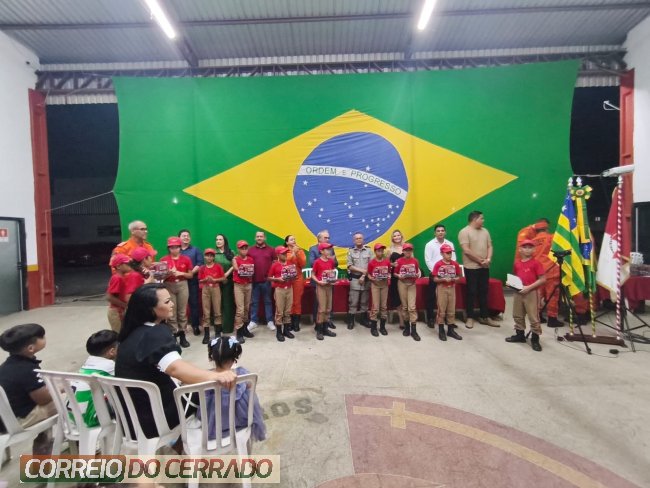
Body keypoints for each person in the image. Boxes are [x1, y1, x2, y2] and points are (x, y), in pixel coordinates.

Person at [115, 284, 236, 439]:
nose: (172, 304)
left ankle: (180, 446)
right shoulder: (155, 333)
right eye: (167, 302)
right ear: (150, 309)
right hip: (156, 420)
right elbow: (176, 369)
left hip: (130, 420)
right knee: (215, 389)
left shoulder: (129, 334)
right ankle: (217, 438)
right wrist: (216, 376)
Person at [197, 336, 266, 442]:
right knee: (248, 394)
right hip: (240, 419)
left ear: (212, 357)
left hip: (215, 422)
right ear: (234, 358)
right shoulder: (241, 373)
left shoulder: (207, 376)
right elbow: (251, 387)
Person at [0, 324, 55, 429]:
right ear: (30, 348)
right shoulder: (27, 369)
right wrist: (62, 388)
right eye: (41, 337)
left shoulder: (6, 366)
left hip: (5, 420)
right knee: (68, 398)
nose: (44, 337)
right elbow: (43, 399)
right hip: (18, 421)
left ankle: (43, 437)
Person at [518, 220, 563, 328]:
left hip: (538, 272)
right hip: (551, 271)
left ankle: (539, 316)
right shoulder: (552, 238)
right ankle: (552, 319)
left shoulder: (532, 242)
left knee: (538, 295)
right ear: (546, 229)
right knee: (552, 296)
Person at [458, 211, 499, 329]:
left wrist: (488, 259)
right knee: (471, 292)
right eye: (482, 218)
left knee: (484, 292)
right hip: (471, 268)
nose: (483, 220)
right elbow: (466, 250)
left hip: (484, 267)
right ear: (474, 219)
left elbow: (490, 246)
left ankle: (485, 316)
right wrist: (481, 261)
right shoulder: (464, 232)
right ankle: (470, 317)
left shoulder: (485, 231)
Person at [506, 240, 546, 351]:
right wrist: (511, 284)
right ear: (520, 249)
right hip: (518, 292)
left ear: (534, 250)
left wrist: (528, 288)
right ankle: (520, 335)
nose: (527, 249)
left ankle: (535, 339)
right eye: (525, 247)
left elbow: (543, 279)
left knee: (533, 316)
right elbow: (516, 276)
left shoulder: (536, 263)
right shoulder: (517, 263)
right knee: (517, 314)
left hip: (531, 293)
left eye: (530, 247)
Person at [73, 330, 118, 427]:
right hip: (91, 418)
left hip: (73, 417)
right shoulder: (110, 366)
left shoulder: (87, 364)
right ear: (112, 351)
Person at [160, 237, 194, 348]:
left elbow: (191, 275)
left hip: (182, 285)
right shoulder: (164, 260)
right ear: (168, 248)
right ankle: (173, 335)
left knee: (182, 311)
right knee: (171, 311)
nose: (174, 249)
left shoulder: (186, 259)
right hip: (169, 285)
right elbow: (160, 277)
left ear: (180, 248)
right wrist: (168, 273)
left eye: (176, 247)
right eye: (172, 247)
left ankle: (182, 334)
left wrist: (181, 273)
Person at [424, 224, 457, 327]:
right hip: (435, 275)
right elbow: (428, 260)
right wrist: (438, 273)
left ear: (445, 232)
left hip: (449, 276)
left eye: (442, 230)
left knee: (448, 298)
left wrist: (448, 272)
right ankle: (430, 318)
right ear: (435, 233)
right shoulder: (429, 244)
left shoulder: (450, 244)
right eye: (438, 231)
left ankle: (448, 320)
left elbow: (454, 258)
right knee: (432, 297)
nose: (440, 232)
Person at [432, 244, 463, 341]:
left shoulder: (455, 264)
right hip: (441, 288)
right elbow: (435, 279)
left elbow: (459, 277)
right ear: (442, 253)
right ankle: (441, 329)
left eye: (450, 253)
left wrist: (454, 279)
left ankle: (450, 329)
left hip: (452, 288)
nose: (449, 255)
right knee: (441, 309)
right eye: (447, 253)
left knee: (451, 309)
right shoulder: (438, 264)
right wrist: (443, 279)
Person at [247, 231, 277, 332]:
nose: (259, 238)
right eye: (257, 236)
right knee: (254, 302)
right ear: (255, 238)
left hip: (267, 281)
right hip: (254, 280)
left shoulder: (271, 250)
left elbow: (275, 263)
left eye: (261, 236)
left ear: (265, 238)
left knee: (268, 301)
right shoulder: (250, 250)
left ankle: (270, 321)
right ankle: (253, 321)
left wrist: (272, 277)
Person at [308, 230, 339, 324]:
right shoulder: (313, 249)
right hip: (318, 281)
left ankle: (328, 321)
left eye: (328, 238)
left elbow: (335, 264)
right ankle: (317, 322)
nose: (328, 239)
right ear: (319, 239)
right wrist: (324, 258)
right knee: (319, 303)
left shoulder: (331, 249)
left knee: (329, 303)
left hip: (329, 281)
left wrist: (332, 260)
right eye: (326, 238)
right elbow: (312, 263)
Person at [394, 243, 422, 341]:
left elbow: (417, 272)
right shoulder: (399, 261)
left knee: (412, 307)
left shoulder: (415, 261)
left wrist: (417, 275)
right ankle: (407, 327)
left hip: (412, 284)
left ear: (412, 251)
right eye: (406, 250)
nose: (408, 252)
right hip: (402, 283)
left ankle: (414, 330)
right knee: (405, 307)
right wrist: (399, 276)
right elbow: (395, 273)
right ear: (403, 251)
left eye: (409, 250)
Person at [268, 246, 296, 342]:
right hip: (279, 289)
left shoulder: (290, 264)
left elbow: (294, 275)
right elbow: (269, 277)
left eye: (285, 253)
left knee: (288, 311)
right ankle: (279, 332)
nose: (285, 255)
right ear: (278, 255)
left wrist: (293, 275)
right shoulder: (275, 265)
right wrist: (277, 279)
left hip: (289, 288)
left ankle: (286, 330)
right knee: (279, 311)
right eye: (283, 253)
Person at [178, 229, 203, 336]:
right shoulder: (176, 250)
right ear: (179, 238)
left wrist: (190, 273)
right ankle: (180, 328)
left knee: (194, 303)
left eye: (188, 235)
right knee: (180, 305)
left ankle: (195, 325)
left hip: (192, 280)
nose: (186, 237)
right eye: (184, 236)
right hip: (179, 281)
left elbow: (200, 263)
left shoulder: (195, 250)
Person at [198, 249, 225, 345]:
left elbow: (223, 278)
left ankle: (218, 333)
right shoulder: (202, 268)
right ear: (204, 257)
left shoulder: (218, 266)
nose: (209, 257)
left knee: (217, 311)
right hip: (205, 289)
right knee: (206, 312)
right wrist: (205, 279)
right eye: (207, 255)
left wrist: (214, 280)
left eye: (211, 256)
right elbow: (199, 280)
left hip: (215, 288)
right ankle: (206, 334)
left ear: (213, 257)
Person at [312, 242, 338, 341]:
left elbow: (332, 272)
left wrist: (333, 279)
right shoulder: (317, 262)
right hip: (321, 287)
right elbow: (313, 274)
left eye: (329, 249)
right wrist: (318, 281)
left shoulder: (331, 261)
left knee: (328, 308)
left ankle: (325, 328)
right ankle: (319, 330)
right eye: (327, 249)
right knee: (322, 309)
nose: (329, 251)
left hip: (329, 287)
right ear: (321, 251)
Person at [346, 232, 372, 329]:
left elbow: (372, 265)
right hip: (355, 279)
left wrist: (364, 275)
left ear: (363, 239)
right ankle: (351, 320)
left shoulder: (369, 251)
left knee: (365, 301)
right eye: (356, 238)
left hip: (366, 279)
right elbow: (349, 266)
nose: (359, 240)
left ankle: (363, 319)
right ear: (354, 240)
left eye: (360, 238)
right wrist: (362, 271)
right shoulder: (351, 251)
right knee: (353, 301)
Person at [232, 240, 255, 343]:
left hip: (248, 285)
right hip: (239, 286)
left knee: (246, 308)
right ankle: (239, 332)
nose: (244, 250)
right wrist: (246, 270)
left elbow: (251, 271)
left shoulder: (250, 259)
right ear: (238, 249)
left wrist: (247, 271)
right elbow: (237, 269)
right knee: (240, 310)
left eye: (246, 248)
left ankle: (245, 329)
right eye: (242, 248)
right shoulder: (235, 259)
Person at [367, 243, 391, 337]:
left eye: (381, 251)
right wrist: (372, 278)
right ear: (375, 252)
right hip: (375, 285)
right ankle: (373, 327)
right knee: (375, 307)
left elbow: (389, 272)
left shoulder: (387, 262)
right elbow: (369, 274)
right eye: (378, 251)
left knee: (384, 306)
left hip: (384, 285)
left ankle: (382, 327)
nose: (380, 252)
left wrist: (388, 276)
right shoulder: (371, 263)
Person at [214, 235, 235, 334]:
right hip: (216, 282)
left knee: (228, 304)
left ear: (224, 241)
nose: (218, 241)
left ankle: (228, 327)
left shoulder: (231, 252)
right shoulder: (213, 253)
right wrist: (220, 277)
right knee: (217, 304)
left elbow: (234, 265)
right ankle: (218, 327)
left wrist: (226, 274)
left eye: (220, 239)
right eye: (217, 240)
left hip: (228, 281)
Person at [285, 235, 307, 332]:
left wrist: (297, 253)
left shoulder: (300, 251)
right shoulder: (284, 251)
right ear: (287, 242)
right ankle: (289, 322)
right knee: (289, 301)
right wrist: (293, 253)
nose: (294, 241)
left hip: (298, 279)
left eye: (294, 239)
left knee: (297, 301)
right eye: (291, 239)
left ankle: (296, 323)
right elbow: (285, 262)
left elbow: (303, 264)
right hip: (287, 279)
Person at [106, 254, 131, 332]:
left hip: (119, 310)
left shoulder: (121, 277)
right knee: (118, 334)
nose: (130, 265)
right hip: (116, 312)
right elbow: (109, 297)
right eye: (127, 263)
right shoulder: (117, 278)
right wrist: (125, 306)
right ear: (119, 266)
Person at [388, 229, 405, 329]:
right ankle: (401, 320)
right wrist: (392, 264)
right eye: (395, 236)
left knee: (405, 298)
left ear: (401, 236)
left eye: (398, 235)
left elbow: (413, 260)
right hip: (395, 277)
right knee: (397, 298)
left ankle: (407, 318)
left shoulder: (407, 247)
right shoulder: (389, 250)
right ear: (392, 238)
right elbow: (386, 263)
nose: (397, 237)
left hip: (406, 276)